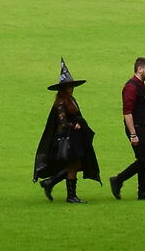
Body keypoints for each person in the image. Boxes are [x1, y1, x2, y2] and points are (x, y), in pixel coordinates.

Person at [33, 61, 101, 202]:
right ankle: (70, 195)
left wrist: (78, 123)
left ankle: (51, 183)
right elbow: (62, 122)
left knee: (76, 164)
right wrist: (73, 125)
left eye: (71, 86)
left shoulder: (71, 100)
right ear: (63, 88)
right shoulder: (60, 103)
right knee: (74, 164)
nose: (71, 88)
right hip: (65, 139)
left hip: (72, 138)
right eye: (68, 86)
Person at [109, 56, 145, 201]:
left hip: (143, 128)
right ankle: (118, 179)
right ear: (139, 69)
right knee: (143, 160)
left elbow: (143, 110)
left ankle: (143, 192)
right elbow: (127, 113)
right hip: (135, 128)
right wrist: (133, 134)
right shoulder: (131, 87)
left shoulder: (141, 86)